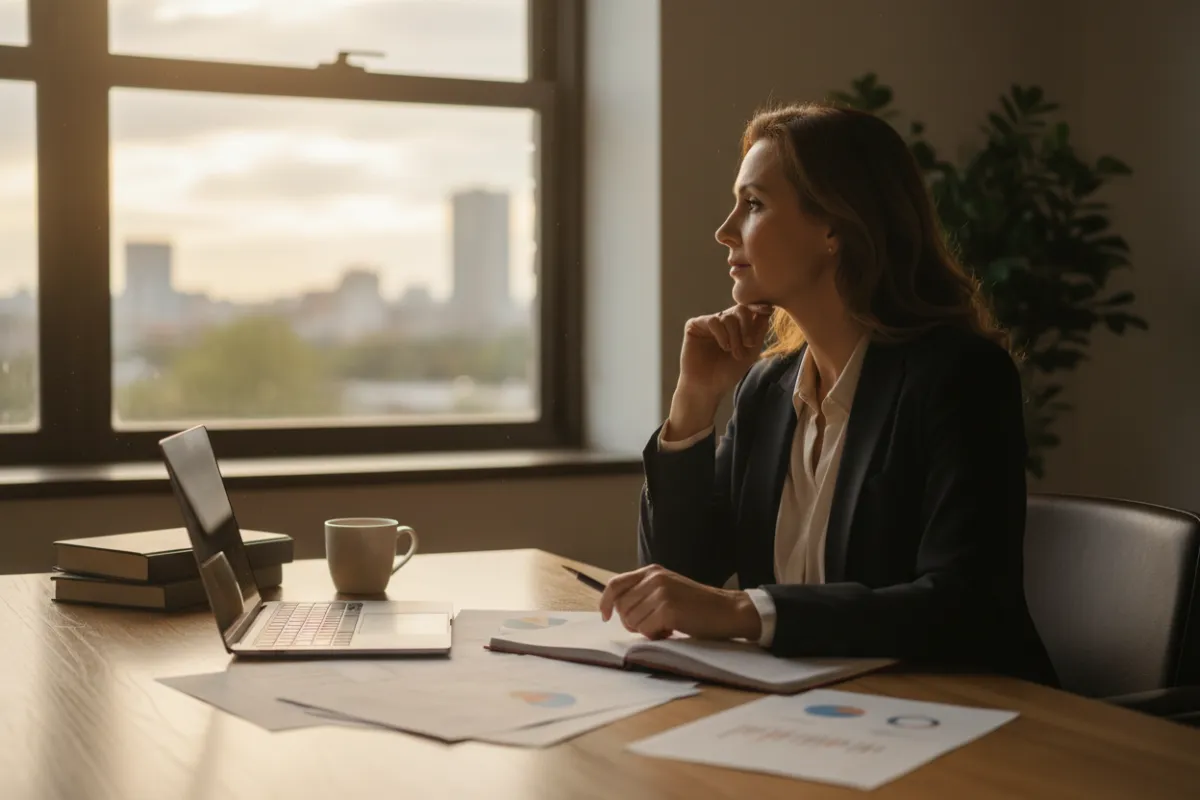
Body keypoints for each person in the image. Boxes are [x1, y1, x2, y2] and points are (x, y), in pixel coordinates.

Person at [598, 102, 1057, 685]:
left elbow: (961, 602)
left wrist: (746, 611)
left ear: (835, 226)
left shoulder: (960, 376)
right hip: (821, 710)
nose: (725, 230)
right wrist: (693, 404)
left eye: (755, 204)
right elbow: (679, 574)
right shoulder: (767, 389)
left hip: (963, 716)